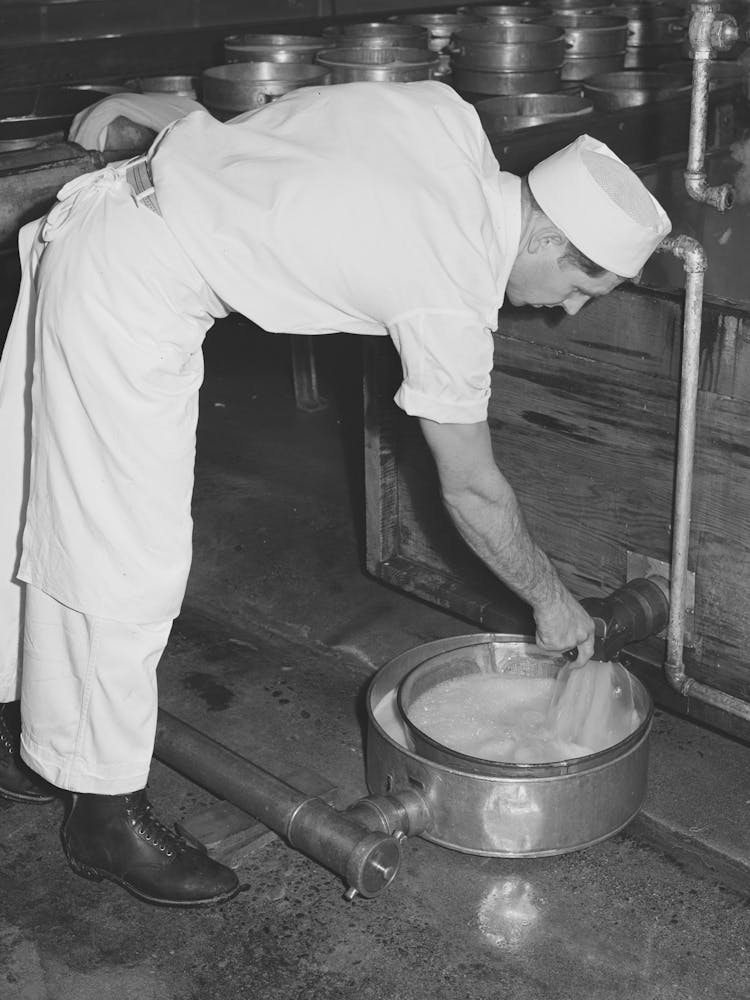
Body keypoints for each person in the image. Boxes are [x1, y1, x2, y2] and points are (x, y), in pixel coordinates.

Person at [0, 80, 671, 908]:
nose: (566, 311)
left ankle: (24, 733)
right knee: (123, 558)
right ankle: (102, 814)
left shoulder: (448, 121)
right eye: (579, 287)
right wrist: (554, 603)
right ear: (543, 232)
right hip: (128, 293)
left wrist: (168, 113)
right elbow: (472, 488)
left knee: (29, 497)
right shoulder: (450, 286)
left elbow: (292, 123)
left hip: (109, 220)